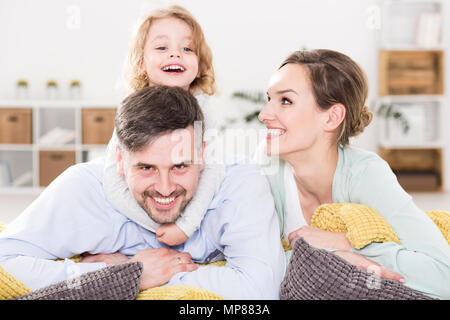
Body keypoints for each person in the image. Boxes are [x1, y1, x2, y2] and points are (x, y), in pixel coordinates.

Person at [0, 85, 285, 299]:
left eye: (180, 166)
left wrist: (138, 275)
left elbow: (261, 291)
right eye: (147, 168)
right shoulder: (84, 189)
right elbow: (5, 263)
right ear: (121, 162)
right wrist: (127, 275)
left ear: (202, 155)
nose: (165, 188)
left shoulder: (240, 183)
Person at [257, 49, 450, 300]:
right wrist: (331, 258)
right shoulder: (266, 165)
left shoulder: (366, 174)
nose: (263, 114)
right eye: (268, 98)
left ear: (332, 117)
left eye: (285, 101)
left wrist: (346, 244)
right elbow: (254, 263)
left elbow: (443, 276)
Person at [103, 5, 225, 246]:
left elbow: (214, 169)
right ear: (141, 62)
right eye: (162, 47)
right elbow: (112, 178)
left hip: (188, 215)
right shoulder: (132, 109)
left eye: (187, 48)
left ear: (199, 64)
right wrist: (159, 226)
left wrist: (186, 224)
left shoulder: (203, 108)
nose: (175, 54)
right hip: (145, 215)